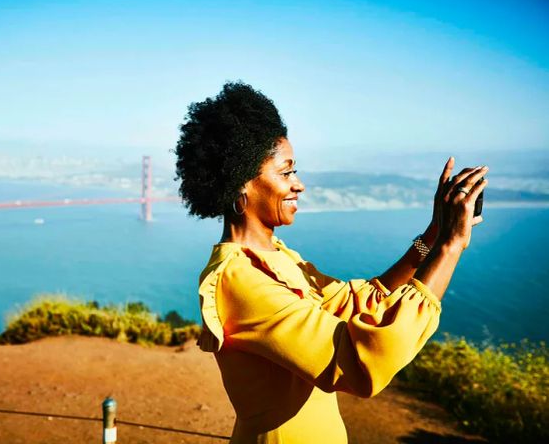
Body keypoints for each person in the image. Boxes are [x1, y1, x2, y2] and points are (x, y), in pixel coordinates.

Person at [174, 81, 488, 443]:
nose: (299, 184)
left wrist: (432, 237)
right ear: (241, 184)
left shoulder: (275, 255)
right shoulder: (239, 280)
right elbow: (359, 363)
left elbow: (358, 300)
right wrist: (450, 247)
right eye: (287, 172)